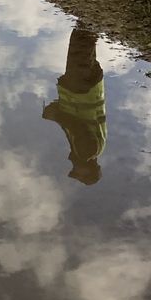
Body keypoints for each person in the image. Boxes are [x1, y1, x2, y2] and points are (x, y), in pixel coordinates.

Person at [42, 25, 107, 185]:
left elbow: (75, 123)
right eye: (78, 173)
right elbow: (76, 125)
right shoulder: (86, 152)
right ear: (88, 169)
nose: (73, 169)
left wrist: (57, 110)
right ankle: (90, 14)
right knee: (82, 41)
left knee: (85, 41)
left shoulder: (95, 150)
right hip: (81, 89)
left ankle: (90, 16)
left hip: (86, 87)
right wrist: (55, 115)